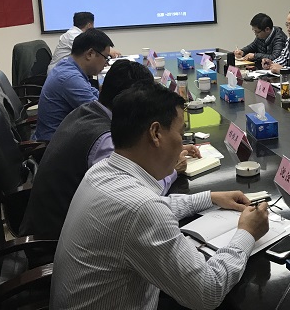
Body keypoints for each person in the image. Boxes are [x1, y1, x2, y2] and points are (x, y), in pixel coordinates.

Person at [50, 83, 269, 309]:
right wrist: (247, 232)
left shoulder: (102, 170)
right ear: (155, 134)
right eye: (181, 134)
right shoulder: (141, 208)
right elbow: (208, 291)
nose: (182, 144)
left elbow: (153, 206)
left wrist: (210, 197)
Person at [20, 60, 201, 240]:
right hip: (51, 240)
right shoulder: (106, 139)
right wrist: (172, 170)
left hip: (55, 224)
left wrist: (167, 147)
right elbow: (135, 199)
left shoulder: (87, 110)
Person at [34, 28, 114, 141]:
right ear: (90, 54)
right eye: (106, 57)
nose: (106, 63)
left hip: (65, 134)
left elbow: (95, 95)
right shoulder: (70, 78)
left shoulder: (68, 64)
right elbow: (101, 114)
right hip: (55, 143)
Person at [48, 12, 120, 73]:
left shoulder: (72, 33)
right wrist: (108, 52)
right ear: (89, 26)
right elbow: (93, 48)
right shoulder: (73, 36)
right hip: (59, 72)